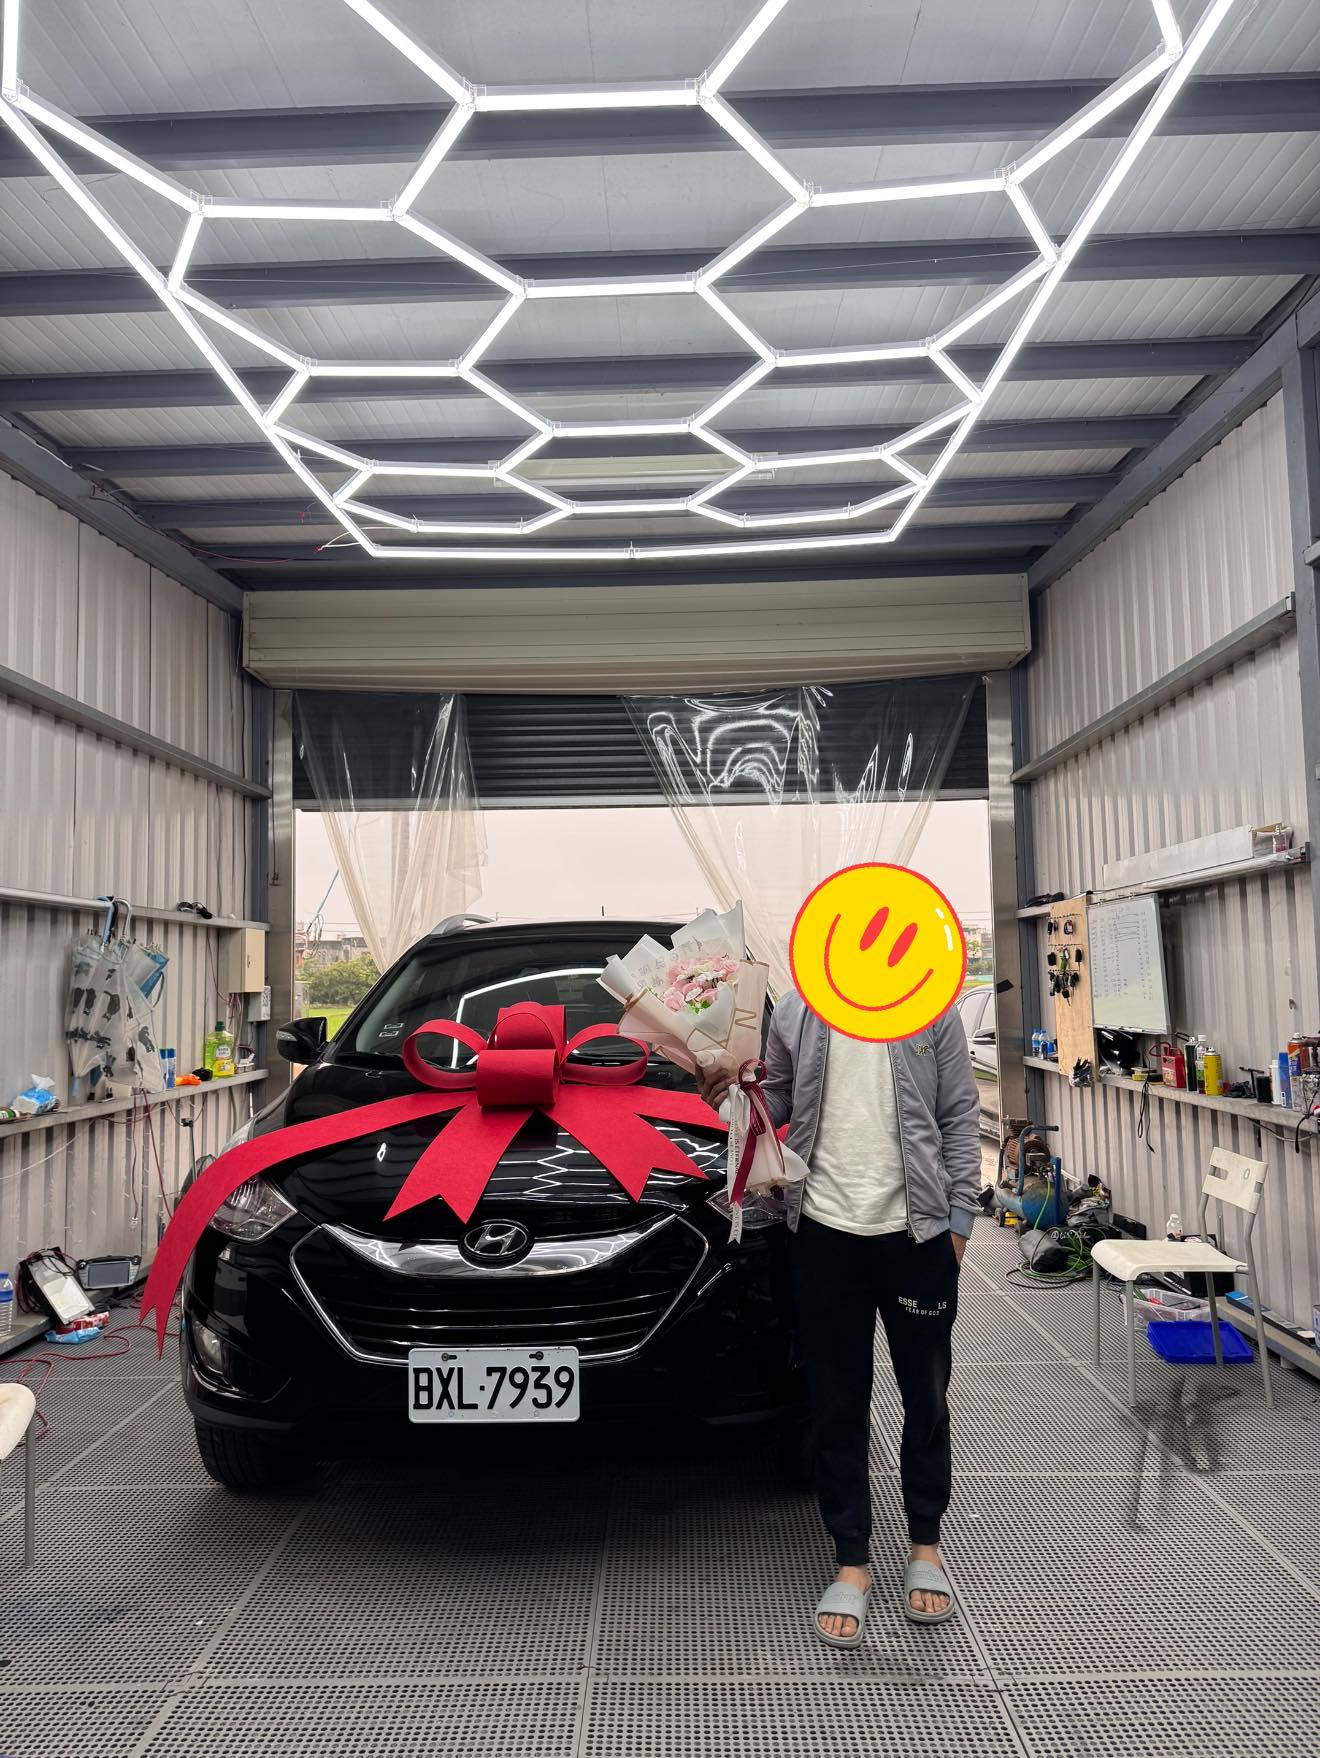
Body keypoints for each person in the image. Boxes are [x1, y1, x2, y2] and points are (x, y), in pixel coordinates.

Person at [700, 990, 981, 1646]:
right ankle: (851, 1556)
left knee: (926, 1394)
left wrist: (960, 1223)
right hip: (822, 1233)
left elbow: (959, 1114)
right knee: (835, 1400)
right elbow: (776, 1107)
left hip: (917, 1235)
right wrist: (730, 1093)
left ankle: (926, 1543)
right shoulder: (798, 1010)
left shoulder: (930, 1007)